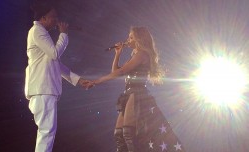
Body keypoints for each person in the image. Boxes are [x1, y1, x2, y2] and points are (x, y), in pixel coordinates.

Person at [92, 27, 185, 152]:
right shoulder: (135, 55)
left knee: (128, 134)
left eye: (131, 37)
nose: (127, 40)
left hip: (137, 93)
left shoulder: (142, 54)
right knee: (119, 135)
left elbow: (122, 71)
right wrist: (117, 55)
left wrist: (97, 81)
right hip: (128, 93)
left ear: (139, 39)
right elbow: (115, 72)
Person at [24, 1, 92, 151]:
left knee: (47, 132)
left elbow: (55, 64)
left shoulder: (41, 33)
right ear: (43, 18)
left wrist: (78, 80)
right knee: (46, 132)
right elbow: (55, 54)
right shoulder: (37, 31)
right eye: (53, 17)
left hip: (44, 90)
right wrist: (64, 34)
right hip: (43, 89)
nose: (56, 20)